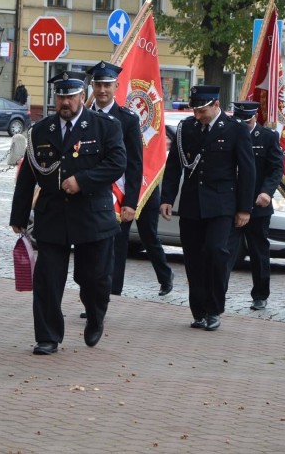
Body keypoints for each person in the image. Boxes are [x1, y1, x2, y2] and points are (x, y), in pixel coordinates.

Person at [9, 71, 126, 355]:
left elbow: (117, 163)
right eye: (61, 96)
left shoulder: (104, 126)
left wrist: (82, 181)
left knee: (95, 279)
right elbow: (28, 176)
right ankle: (48, 336)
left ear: (82, 97)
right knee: (47, 280)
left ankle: (96, 315)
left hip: (92, 215)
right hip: (53, 215)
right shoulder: (40, 130)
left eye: (71, 96)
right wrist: (19, 216)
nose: (65, 101)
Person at [159, 85, 255, 331]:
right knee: (193, 258)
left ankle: (214, 309)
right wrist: (167, 197)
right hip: (192, 204)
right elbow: (174, 166)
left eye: (202, 110)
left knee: (216, 253)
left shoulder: (236, 130)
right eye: (195, 110)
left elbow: (246, 171)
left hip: (222, 204)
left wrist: (245, 208)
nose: (197, 115)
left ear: (215, 105)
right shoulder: (186, 128)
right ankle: (199, 311)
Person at [86, 61, 174, 301]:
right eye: (98, 84)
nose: (102, 90)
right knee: (93, 247)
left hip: (125, 193)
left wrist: (131, 202)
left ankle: (110, 296)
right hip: (94, 192)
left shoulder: (127, 120)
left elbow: (135, 163)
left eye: (107, 85)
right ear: (92, 86)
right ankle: (93, 295)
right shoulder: (84, 116)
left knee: (130, 241)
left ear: (116, 86)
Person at [226, 101, 284, 311]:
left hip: (258, 205)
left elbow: (276, 168)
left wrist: (267, 192)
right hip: (232, 203)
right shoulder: (230, 133)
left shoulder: (267, 137)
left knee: (259, 251)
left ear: (255, 117)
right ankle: (219, 292)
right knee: (226, 250)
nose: (243, 124)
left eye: (247, 120)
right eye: (239, 120)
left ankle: (260, 294)